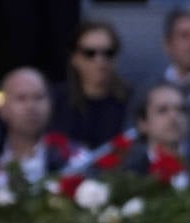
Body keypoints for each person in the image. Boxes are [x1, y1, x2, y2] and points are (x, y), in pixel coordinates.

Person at [0, 66, 75, 182]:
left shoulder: (74, 159)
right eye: (21, 98)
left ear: (51, 105)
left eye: (38, 97)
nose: (31, 107)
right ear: (2, 109)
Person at [48, 19, 132, 151]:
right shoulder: (54, 101)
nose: (100, 60)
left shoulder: (133, 101)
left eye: (108, 53)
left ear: (115, 58)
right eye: (89, 53)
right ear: (75, 58)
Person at [124, 82, 190, 173]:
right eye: (162, 110)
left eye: (181, 110)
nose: (174, 116)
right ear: (143, 123)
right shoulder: (130, 175)